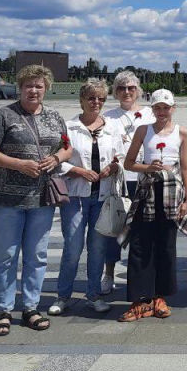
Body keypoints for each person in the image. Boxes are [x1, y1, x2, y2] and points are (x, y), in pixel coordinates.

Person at [0, 64, 72, 337]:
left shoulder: (55, 117)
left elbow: (67, 147)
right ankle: (4, 310)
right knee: (6, 256)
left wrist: (56, 158)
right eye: (29, 85)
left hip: (42, 199)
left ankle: (31, 306)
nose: (34, 90)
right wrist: (19, 164)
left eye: (39, 86)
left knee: (37, 255)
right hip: (7, 199)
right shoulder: (4, 115)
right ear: (19, 88)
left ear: (47, 89)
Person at [48, 79, 125, 316]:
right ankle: (63, 296)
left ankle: (93, 295)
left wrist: (113, 168)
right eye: (91, 98)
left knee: (97, 248)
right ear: (81, 100)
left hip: (103, 197)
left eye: (101, 98)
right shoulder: (69, 127)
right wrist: (78, 171)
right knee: (73, 246)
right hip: (75, 196)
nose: (96, 102)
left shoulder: (112, 127)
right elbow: (55, 161)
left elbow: (122, 156)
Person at [119, 88, 187, 321]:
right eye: (157, 107)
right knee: (140, 245)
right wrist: (148, 167)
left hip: (170, 193)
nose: (161, 112)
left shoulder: (182, 132)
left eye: (165, 108)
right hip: (147, 191)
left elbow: (185, 166)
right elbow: (129, 163)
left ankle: (160, 296)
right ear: (152, 108)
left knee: (166, 246)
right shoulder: (143, 130)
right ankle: (140, 298)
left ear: (173, 108)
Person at [102, 71, 155, 296]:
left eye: (131, 88)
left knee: (142, 230)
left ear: (138, 91)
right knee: (114, 227)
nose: (127, 92)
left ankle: (138, 276)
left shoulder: (150, 113)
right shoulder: (108, 116)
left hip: (144, 179)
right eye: (122, 88)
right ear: (115, 91)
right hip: (119, 180)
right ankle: (109, 273)